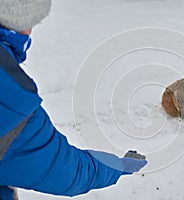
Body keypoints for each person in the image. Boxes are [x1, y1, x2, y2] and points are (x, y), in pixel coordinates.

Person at [0, 0, 147, 199]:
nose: (30, 31)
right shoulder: (11, 99)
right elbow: (66, 171)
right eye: (29, 23)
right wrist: (118, 165)